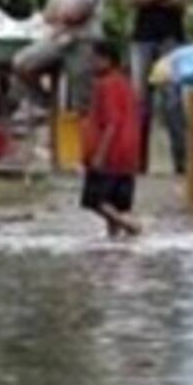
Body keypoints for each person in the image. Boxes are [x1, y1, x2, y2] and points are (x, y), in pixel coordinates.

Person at [125, 0, 193, 174]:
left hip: (171, 39)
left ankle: (181, 164)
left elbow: (183, 1)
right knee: (139, 102)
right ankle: (137, 164)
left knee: (172, 103)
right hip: (142, 38)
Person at [12, 0, 104, 112]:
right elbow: (48, 15)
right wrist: (62, 16)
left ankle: (83, 127)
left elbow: (76, 15)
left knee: (81, 93)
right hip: (58, 40)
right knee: (21, 62)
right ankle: (44, 100)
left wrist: (62, 16)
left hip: (82, 40)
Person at [81, 39, 143, 238]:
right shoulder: (124, 83)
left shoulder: (105, 85)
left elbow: (111, 123)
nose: (89, 63)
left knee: (94, 200)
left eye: (93, 59)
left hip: (111, 154)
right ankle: (114, 240)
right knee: (118, 203)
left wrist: (100, 153)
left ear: (106, 60)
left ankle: (130, 226)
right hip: (127, 155)